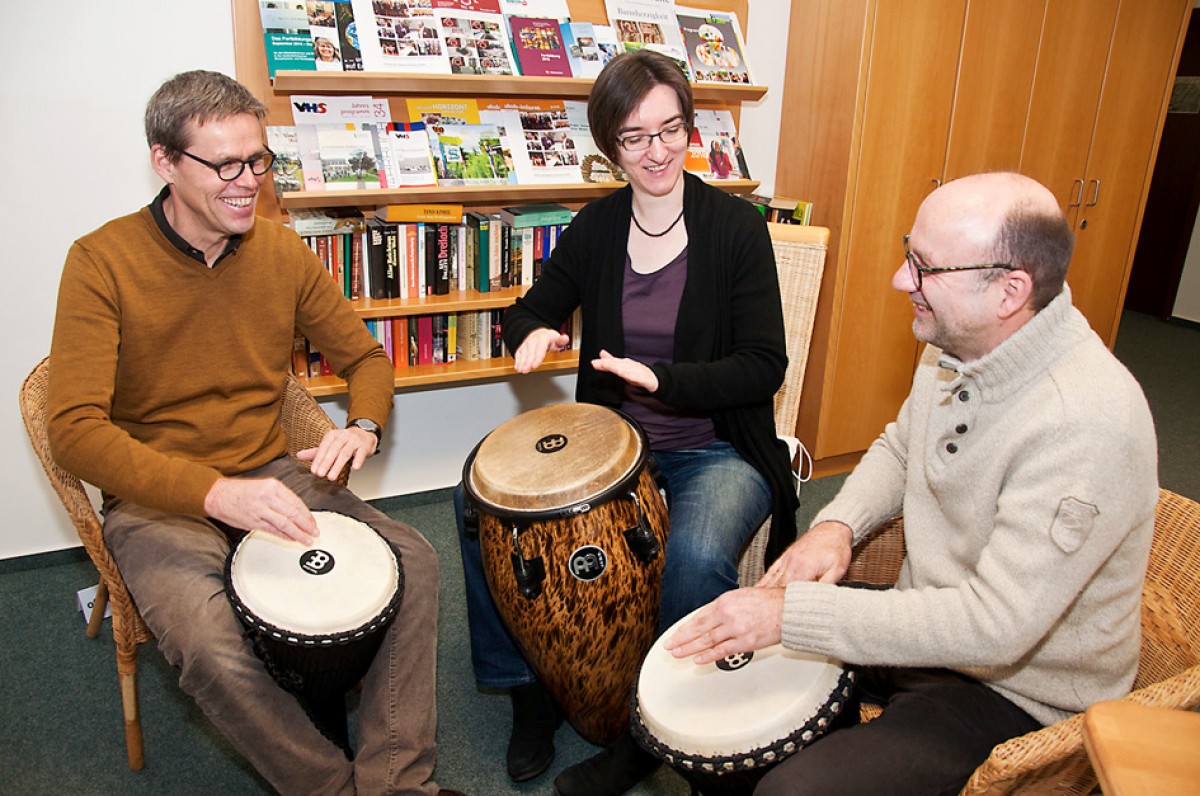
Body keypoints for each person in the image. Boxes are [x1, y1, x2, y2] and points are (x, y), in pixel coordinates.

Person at [666, 172, 1159, 795]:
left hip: (1014, 688)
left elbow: (996, 626)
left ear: (1009, 291)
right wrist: (837, 526)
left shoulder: (1085, 421)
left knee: (792, 790)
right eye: (909, 255)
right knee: (711, 711)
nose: (903, 281)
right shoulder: (962, 336)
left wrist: (796, 613)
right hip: (927, 620)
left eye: (924, 268)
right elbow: (902, 447)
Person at [46, 70, 463, 796]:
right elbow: (74, 433)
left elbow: (365, 357)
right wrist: (214, 495)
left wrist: (362, 424)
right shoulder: (100, 261)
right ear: (165, 162)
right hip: (158, 496)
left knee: (414, 559)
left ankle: (397, 782)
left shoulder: (280, 251)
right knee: (207, 644)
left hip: (273, 468)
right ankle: (328, 787)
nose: (249, 183)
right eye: (225, 165)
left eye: (259, 160)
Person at [453, 50, 798, 796]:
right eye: (636, 137)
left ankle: (650, 730)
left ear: (689, 127)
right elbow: (535, 306)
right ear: (609, 146)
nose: (658, 151)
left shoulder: (736, 229)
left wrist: (663, 380)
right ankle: (527, 688)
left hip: (716, 449)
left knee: (698, 553)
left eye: (671, 128)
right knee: (472, 498)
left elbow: (763, 364)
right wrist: (533, 334)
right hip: (615, 450)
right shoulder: (599, 226)